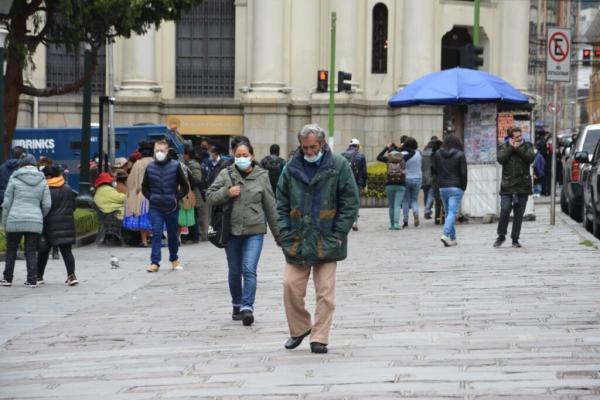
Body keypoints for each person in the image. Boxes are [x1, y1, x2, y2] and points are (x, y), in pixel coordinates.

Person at [277, 123, 359, 354]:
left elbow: (350, 201)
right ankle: (300, 327)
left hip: (327, 238)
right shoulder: (290, 168)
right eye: (305, 147)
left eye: (313, 146)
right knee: (290, 285)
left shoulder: (339, 165)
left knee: (325, 292)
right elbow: (280, 203)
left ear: (322, 144)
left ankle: (320, 337)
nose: (309, 151)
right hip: (297, 238)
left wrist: (339, 233)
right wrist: (284, 232)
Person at [207, 140, 280, 326]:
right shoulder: (226, 174)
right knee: (234, 271)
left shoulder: (262, 176)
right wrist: (227, 192)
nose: (241, 159)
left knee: (249, 269)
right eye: (238, 155)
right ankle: (237, 304)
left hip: (254, 230)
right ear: (233, 155)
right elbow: (210, 195)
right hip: (231, 231)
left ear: (252, 156)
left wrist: (279, 234)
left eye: (245, 155)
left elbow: (271, 206)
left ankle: (247, 307)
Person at [0, 154, 51, 288]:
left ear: (21, 165)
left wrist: (4, 222)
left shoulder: (14, 178)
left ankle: (7, 278)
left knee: (11, 249)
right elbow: (47, 204)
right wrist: (39, 215)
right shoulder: (43, 180)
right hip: (34, 219)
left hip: (15, 218)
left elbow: (7, 203)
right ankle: (32, 280)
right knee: (30, 250)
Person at [142, 140, 190, 272]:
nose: (159, 153)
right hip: (155, 207)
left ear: (167, 151)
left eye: (161, 150)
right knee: (156, 233)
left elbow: (185, 186)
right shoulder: (150, 167)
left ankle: (174, 259)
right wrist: (151, 197)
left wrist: (176, 197)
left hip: (172, 206)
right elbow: (144, 187)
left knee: (172, 234)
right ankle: (155, 263)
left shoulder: (175, 166)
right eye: (157, 150)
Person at [37, 166, 78, 286]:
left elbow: (43, 207)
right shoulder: (67, 188)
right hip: (66, 223)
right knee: (67, 251)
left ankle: (39, 276)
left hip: (48, 223)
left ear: (48, 176)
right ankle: (72, 275)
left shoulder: (45, 189)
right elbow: (73, 206)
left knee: (43, 251)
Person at [494, 127, 535, 248]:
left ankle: (515, 239)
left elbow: (530, 158)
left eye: (520, 136)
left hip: (523, 185)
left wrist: (518, 148)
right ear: (511, 138)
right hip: (507, 186)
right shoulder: (504, 146)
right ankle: (501, 236)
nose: (519, 138)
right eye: (516, 137)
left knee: (519, 214)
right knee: (505, 210)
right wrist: (511, 148)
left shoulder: (527, 146)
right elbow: (500, 159)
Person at [432, 135, 468, 247]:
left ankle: (453, 239)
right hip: (456, 186)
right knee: (452, 212)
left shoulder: (438, 154)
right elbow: (463, 173)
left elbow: (434, 170)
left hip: (442, 187)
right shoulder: (460, 154)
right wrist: (463, 187)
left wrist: (439, 181)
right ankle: (445, 234)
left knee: (448, 213)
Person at [376, 142, 414, 230]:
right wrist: (401, 147)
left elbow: (378, 157)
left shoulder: (387, 159)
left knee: (391, 205)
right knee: (397, 205)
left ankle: (391, 224)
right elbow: (412, 152)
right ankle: (396, 224)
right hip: (401, 184)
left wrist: (386, 147)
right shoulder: (402, 158)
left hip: (389, 184)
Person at [124, 140, 154, 247]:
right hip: (155, 194)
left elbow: (131, 181)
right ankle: (155, 239)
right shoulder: (156, 162)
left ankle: (144, 241)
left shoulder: (138, 164)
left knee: (143, 216)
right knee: (155, 217)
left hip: (141, 194)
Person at [342, 138, 367, 231]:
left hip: (343, 183)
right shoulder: (360, 156)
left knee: (344, 202)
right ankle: (354, 222)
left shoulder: (342, 155)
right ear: (357, 146)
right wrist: (363, 185)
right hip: (356, 183)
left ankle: (344, 222)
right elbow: (363, 172)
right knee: (355, 202)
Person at [400, 137, 422, 228]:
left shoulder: (402, 154)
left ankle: (405, 221)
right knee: (414, 200)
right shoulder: (419, 153)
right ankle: (416, 213)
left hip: (406, 178)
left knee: (405, 201)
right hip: (417, 178)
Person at [183, 147, 203, 243]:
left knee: (193, 216)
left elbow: (197, 179)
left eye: (184, 154)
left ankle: (195, 236)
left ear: (187, 155)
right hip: (190, 193)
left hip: (193, 194)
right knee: (191, 215)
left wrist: (187, 184)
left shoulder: (194, 165)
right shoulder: (188, 164)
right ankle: (191, 236)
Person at [0, 146, 26, 212]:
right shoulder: (24, 168)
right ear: (22, 155)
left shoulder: (2, 167)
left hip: (3, 196)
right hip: (18, 197)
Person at [421, 136, 439, 219]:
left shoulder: (423, 153)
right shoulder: (436, 153)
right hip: (432, 175)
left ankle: (427, 210)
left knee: (426, 194)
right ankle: (427, 210)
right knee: (431, 194)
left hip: (423, 176)